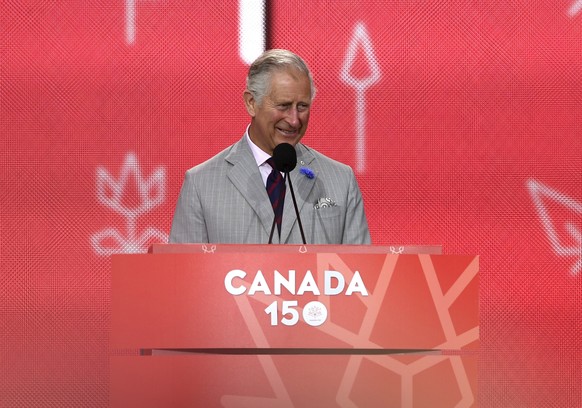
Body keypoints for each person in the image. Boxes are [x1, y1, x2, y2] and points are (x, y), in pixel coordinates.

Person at [169, 49, 371, 245]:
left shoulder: (341, 181)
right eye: (283, 105)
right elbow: (184, 274)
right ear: (251, 103)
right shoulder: (201, 184)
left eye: (302, 106)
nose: (294, 120)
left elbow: (361, 274)